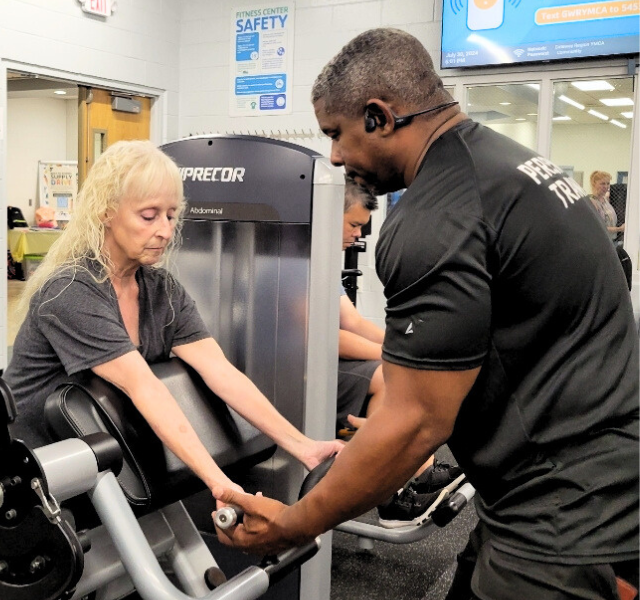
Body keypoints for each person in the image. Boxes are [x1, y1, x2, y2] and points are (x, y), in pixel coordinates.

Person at [213, 28, 639, 600]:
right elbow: (511, 339)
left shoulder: (436, 216)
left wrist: (296, 521)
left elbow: (416, 424)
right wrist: (390, 435)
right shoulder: (518, 166)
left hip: (564, 517)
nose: (335, 156)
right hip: (577, 482)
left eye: (336, 134)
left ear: (380, 116)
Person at [4, 140, 344, 502]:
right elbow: (144, 387)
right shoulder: (71, 291)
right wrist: (220, 484)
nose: (165, 230)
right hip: (27, 466)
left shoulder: (160, 288)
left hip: (91, 452)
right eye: (149, 216)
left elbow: (221, 373)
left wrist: (303, 447)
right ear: (106, 212)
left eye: (171, 215)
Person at [339, 176, 464, 528]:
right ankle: (390, 497)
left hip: (327, 361)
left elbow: (351, 321)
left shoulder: (326, 259)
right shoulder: (302, 259)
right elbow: (325, 338)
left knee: (402, 368)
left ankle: (422, 470)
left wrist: (399, 348)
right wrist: (391, 358)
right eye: (353, 225)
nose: (358, 235)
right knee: (387, 376)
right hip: (301, 370)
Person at [589, 170, 624, 242]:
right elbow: (598, 227)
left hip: (610, 240)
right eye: (602, 184)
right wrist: (619, 229)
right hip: (599, 241)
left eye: (608, 183)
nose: (606, 186)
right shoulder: (592, 201)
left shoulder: (606, 200)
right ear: (594, 184)